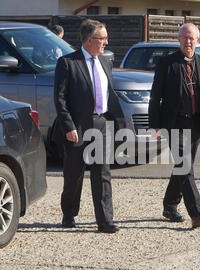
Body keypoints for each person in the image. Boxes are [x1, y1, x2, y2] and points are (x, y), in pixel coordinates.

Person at [149, 23, 200, 229]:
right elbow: (155, 97)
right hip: (174, 123)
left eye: (191, 38)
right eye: (184, 38)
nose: (188, 41)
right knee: (185, 166)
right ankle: (197, 212)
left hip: (195, 123)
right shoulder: (167, 64)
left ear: (198, 41)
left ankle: (169, 205)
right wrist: (154, 125)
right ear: (179, 40)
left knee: (184, 167)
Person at [53, 19, 125, 233]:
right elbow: (60, 98)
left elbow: (110, 96)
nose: (106, 42)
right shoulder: (68, 63)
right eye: (102, 38)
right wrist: (68, 127)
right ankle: (69, 213)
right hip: (77, 126)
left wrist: (118, 124)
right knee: (74, 175)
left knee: (102, 173)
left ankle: (105, 220)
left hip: (101, 124)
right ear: (89, 39)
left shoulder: (105, 62)